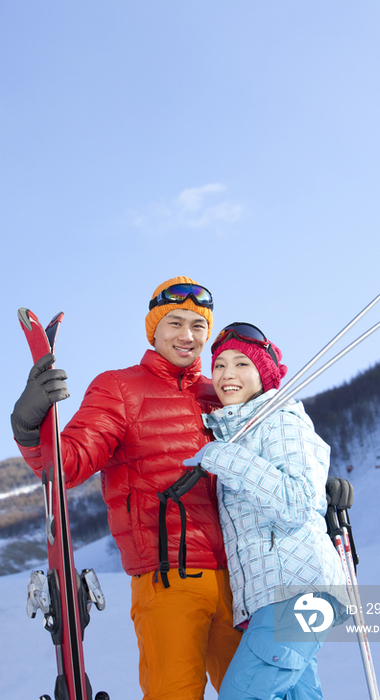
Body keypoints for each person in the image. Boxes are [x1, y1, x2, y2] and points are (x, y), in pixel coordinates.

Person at [11, 276, 242, 700]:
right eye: (175, 322)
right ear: (154, 329)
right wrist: (29, 427)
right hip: (170, 579)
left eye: (198, 325)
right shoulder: (120, 388)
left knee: (258, 693)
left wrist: (317, 484)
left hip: (241, 582)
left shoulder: (223, 394)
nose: (187, 336)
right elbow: (68, 464)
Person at [183, 322, 350, 700]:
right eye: (220, 364)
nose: (227, 374)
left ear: (263, 374)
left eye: (242, 364)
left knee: (243, 694)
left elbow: (295, 503)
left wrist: (224, 457)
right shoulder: (240, 430)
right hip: (276, 596)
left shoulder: (280, 418)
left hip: (295, 589)